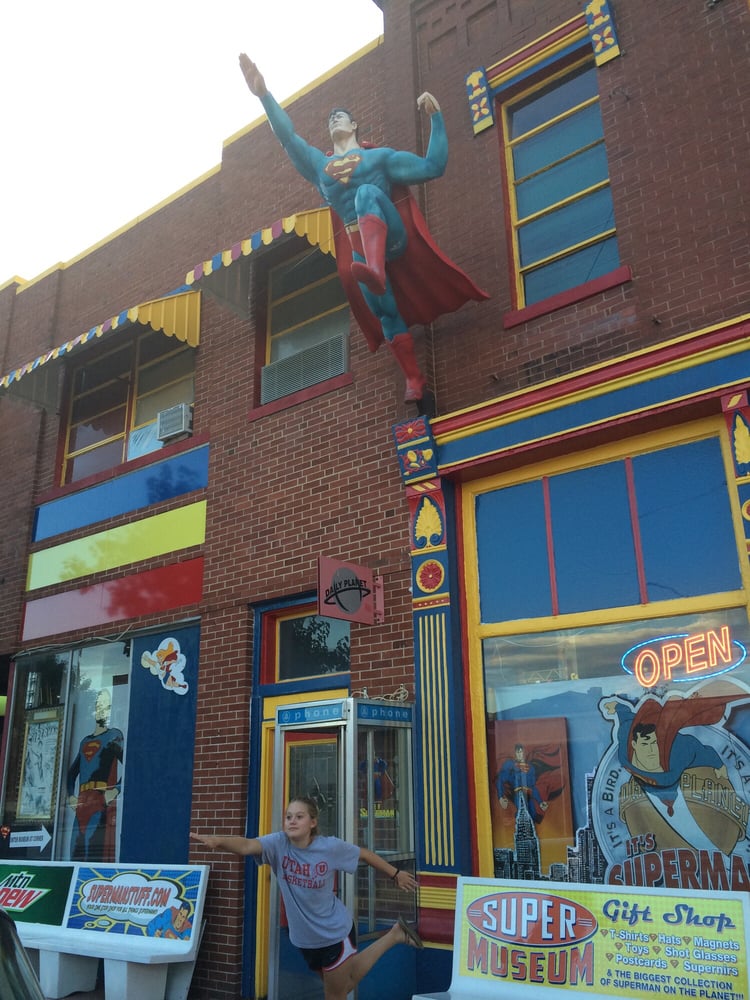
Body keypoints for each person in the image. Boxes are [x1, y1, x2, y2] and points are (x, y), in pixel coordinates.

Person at [239, 53, 488, 406]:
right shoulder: (320, 167)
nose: (333, 119)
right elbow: (288, 138)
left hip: (393, 237)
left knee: (366, 194)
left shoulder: (378, 158)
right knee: (385, 313)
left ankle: (375, 269)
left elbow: (433, 166)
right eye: (329, 118)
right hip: (359, 245)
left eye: (339, 115)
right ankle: (414, 379)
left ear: (355, 125)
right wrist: (264, 96)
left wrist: (437, 118)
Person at [190, 795, 422, 1000]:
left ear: (313, 822)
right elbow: (247, 845)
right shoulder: (278, 843)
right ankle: (394, 935)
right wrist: (218, 841)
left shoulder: (329, 847)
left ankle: (394, 936)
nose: (292, 821)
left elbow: (365, 854)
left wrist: (396, 874)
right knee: (344, 986)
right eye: (288, 816)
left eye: (299, 817)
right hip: (304, 939)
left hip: (334, 933)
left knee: (335, 994)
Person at [66, 689, 124, 861]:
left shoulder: (114, 736)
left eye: (105, 705)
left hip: (100, 799)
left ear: (110, 709)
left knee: (94, 849)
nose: (101, 708)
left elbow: (129, 765)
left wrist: (115, 790)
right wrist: (71, 796)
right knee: (76, 850)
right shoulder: (85, 741)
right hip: (82, 801)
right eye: (99, 705)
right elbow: (71, 773)